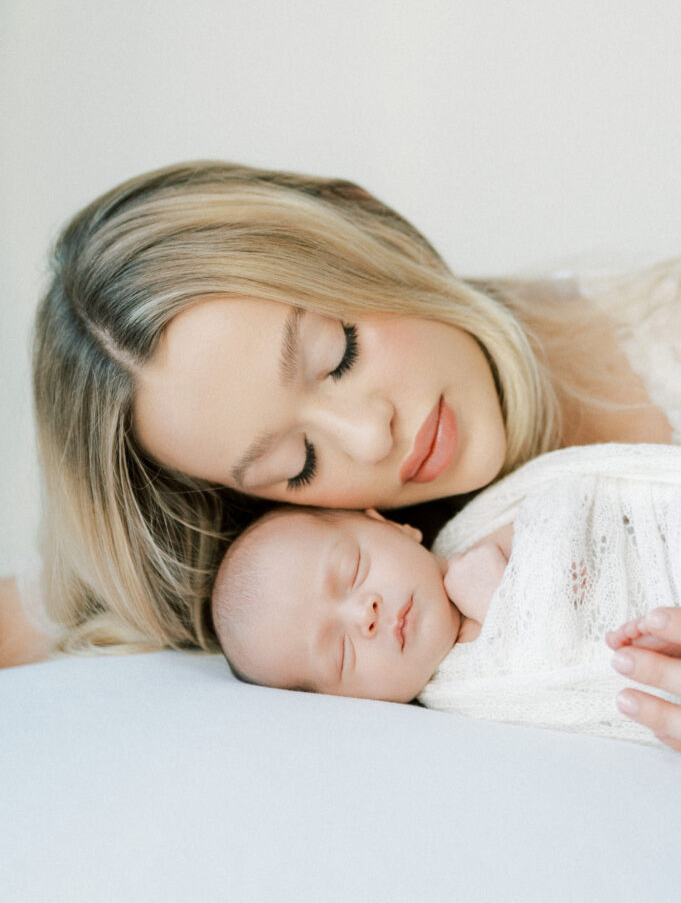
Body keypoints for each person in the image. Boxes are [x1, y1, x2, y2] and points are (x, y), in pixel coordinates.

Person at [14, 158, 681, 748]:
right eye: (298, 463)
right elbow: (56, 607)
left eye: (341, 356)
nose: (370, 438)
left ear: (367, 228)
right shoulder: (347, 588)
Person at [211, 443, 681, 748]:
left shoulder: (483, 533)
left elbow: (587, 513)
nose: (364, 614)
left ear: (393, 526)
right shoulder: (467, 706)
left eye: (352, 569)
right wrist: (501, 605)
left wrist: (509, 589)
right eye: (339, 652)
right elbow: (586, 684)